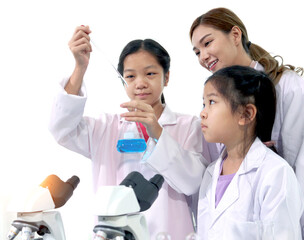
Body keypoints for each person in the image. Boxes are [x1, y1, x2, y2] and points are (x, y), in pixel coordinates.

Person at [49, 25, 214, 239]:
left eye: (150, 73)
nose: (140, 83)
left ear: (167, 77)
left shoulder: (188, 126)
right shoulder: (105, 127)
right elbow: (61, 129)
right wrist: (80, 67)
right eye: (130, 76)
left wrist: (156, 131)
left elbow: (193, 183)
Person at [190, 7, 304, 192]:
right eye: (197, 52)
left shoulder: (287, 86)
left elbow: (298, 159)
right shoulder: (215, 97)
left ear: (235, 35)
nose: (203, 56)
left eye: (208, 43)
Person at [198, 65, 304, 239]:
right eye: (203, 103)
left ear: (246, 114)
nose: (202, 113)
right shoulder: (211, 174)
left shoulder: (276, 173)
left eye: (211, 102)